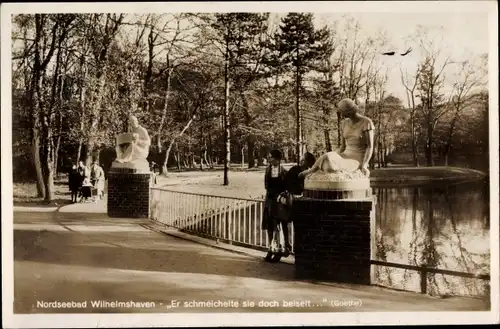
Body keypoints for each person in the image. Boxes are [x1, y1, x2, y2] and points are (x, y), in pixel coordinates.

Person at [299, 98, 375, 178]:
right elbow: (342, 147)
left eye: (342, 112)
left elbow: (370, 147)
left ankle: (313, 171)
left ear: (348, 112)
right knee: (328, 156)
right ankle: (311, 171)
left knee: (331, 165)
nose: (341, 115)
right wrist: (333, 155)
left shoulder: (366, 122)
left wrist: (365, 165)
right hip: (344, 155)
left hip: (357, 159)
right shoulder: (344, 123)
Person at [276, 151, 316, 257]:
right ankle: (292, 248)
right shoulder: (309, 173)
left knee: (288, 223)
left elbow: (286, 183)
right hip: (296, 200)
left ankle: (290, 248)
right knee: (289, 224)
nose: (301, 160)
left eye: (304, 159)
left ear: (307, 162)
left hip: (294, 200)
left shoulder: (302, 171)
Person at [262, 149, 288, 262]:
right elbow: (266, 185)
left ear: (277, 159)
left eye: (272, 157)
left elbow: (286, 188)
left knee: (278, 228)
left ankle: (279, 251)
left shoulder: (284, 172)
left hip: (279, 204)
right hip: (270, 202)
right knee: (270, 227)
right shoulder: (268, 170)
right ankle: (270, 249)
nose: (270, 159)